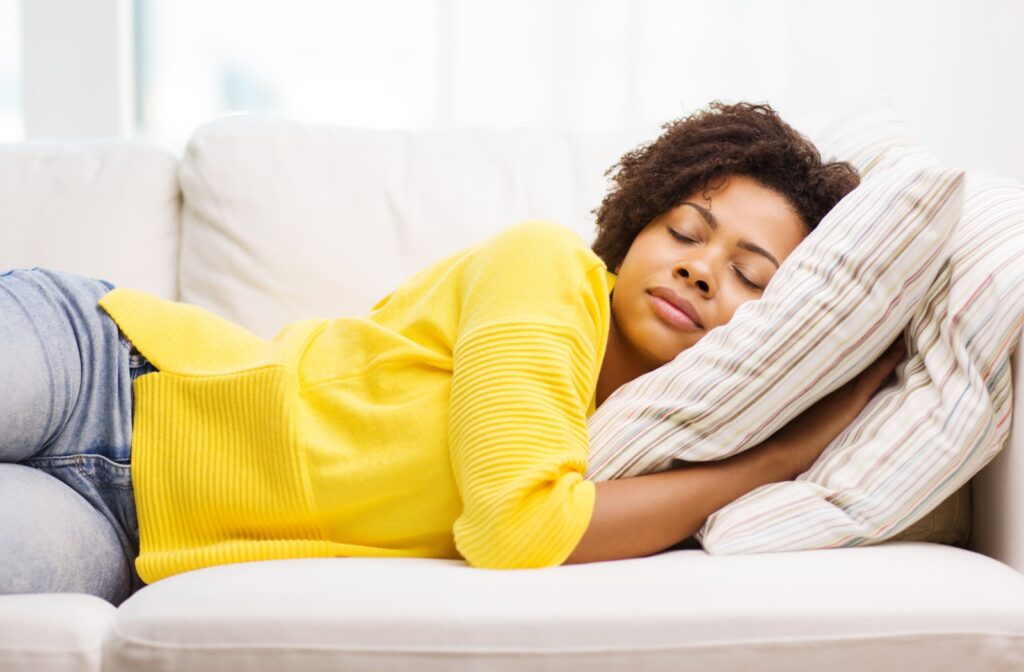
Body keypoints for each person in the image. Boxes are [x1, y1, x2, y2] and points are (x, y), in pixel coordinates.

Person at [0, 101, 902, 606]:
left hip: (130, 534)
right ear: (637, 227)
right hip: (107, 371)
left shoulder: (645, 444)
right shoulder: (547, 268)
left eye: (750, 274)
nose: (702, 271)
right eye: (686, 230)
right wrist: (776, 461)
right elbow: (517, 526)